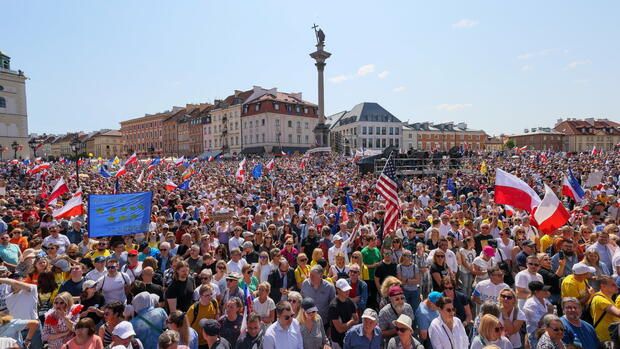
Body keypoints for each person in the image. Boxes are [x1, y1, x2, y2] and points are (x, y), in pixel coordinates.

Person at [523, 281, 554, 348]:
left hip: (548, 333)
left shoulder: (545, 300)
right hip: (536, 336)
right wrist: (548, 313)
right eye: (544, 290)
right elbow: (538, 324)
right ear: (536, 292)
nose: (546, 291)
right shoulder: (530, 305)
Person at [589, 275, 620, 342]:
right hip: (606, 339)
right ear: (603, 286)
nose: (617, 287)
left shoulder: (607, 298)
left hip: (612, 335)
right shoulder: (599, 299)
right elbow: (618, 313)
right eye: (613, 285)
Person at [187, 284, 219, 348]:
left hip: (210, 340)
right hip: (198, 343)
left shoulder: (214, 303)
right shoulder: (193, 309)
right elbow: (186, 326)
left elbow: (216, 318)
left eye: (211, 294)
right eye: (207, 295)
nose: (210, 297)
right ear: (200, 296)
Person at [329, 279, 359, 347]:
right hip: (337, 341)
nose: (347, 292)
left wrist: (344, 325)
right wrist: (351, 322)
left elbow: (357, 319)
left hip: (349, 339)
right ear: (338, 290)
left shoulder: (350, 301)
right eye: (345, 290)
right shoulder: (333, 306)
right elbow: (340, 329)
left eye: (348, 289)